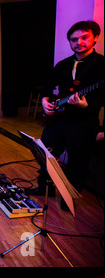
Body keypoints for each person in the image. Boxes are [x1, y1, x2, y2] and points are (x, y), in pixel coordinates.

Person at [34, 20, 104, 210]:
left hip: (84, 122)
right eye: (74, 39)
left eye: (84, 37)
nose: (79, 42)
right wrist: (45, 101)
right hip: (59, 119)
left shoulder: (102, 64)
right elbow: (48, 84)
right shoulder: (63, 64)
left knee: (77, 161)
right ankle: (43, 188)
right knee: (46, 153)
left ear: (95, 38)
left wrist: (86, 104)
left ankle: (69, 196)